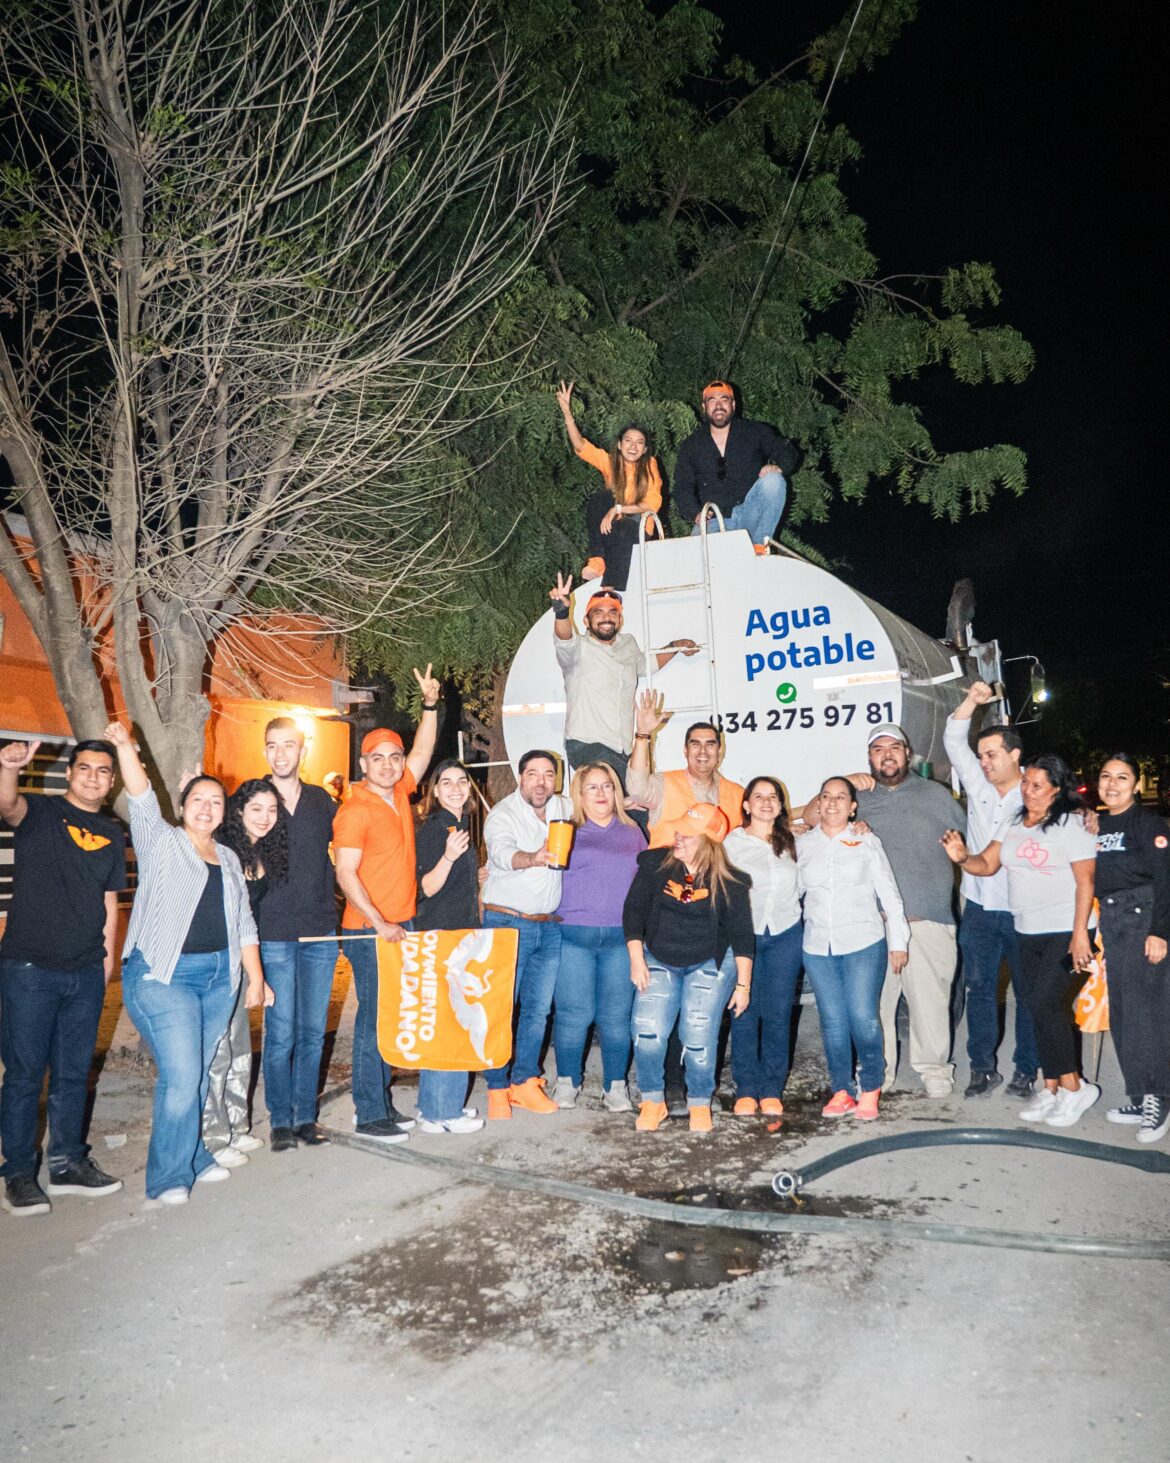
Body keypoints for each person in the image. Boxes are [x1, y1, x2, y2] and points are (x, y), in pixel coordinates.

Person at [106, 724, 271, 1205]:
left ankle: (195, 1156)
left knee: (197, 1072)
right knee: (182, 1076)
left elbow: (243, 923)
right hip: (164, 977)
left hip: (220, 977)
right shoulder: (162, 842)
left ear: (225, 813)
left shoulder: (227, 855)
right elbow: (139, 795)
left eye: (216, 802)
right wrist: (124, 747)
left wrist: (256, 979)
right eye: (199, 799)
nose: (207, 808)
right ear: (182, 805)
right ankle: (167, 1177)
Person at [0, 738, 126, 1217]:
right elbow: (5, 803)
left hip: (84, 971)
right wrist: (7, 767)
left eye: (103, 771)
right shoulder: (40, 814)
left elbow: (109, 900)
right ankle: (18, 1172)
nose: (94, 777)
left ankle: (67, 1162)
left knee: (74, 1074)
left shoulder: (112, 833)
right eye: (86, 768)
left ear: (112, 781)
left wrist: (107, 957)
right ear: (70, 773)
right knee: (26, 1075)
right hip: (29, 968)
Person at [942, 753, 1099, 1128]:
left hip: (1067, 929)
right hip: (1027, 928)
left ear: (1057, 790)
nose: (1027, 790)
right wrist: (963, 858)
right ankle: (1052, 1087)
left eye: (1037, 785)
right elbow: (989, 863)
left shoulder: (1072, 824)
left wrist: (1080, 935)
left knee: (1046, 1002)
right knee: (1033, 1003)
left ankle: (1076, 1088)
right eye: (1026, 782)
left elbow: (1085, 881)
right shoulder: (1016, 823)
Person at [333, 667, 441, 1143]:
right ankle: (369, 1112)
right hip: (369, 927)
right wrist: (379, 922)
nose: (391, 765)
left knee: (391, 1017)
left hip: (402, 922)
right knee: (373, 1019)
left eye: (394, 758)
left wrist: (431, 706)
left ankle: (380, 1103)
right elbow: (345, 872)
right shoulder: (354, 808)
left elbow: (423, 750)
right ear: (363, 764)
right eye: (379, 759)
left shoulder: (399, 792)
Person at [624, 803, 753, 1131]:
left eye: (688, 834)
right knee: (647, 1030)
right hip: (660, 956)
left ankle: (699, 1102)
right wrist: (637, 960)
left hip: (709, 960)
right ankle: (653, 1100)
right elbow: (633, 911)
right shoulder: (655, 864)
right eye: (678, 829)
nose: (678, 836)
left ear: (709, 841)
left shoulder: (730, 882)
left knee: (696, 1030)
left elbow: (742, 937)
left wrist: (743, 987)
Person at [855, 724, 964, 1098]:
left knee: (931, 1005)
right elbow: (808, 820)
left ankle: (935, 1071)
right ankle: (877, 1074)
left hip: (928, 921)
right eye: (878, 749)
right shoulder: (856, 799)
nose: (887, 755)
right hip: (873, 926)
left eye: (895, 747)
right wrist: (840, 783)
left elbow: (978, 836)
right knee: (875, 1006)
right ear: (869, 758)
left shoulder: (936, 795)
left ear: (908, 753)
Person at [944, 682, 1039, 1098]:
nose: (983, 763)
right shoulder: (979, 787)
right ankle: (982, 1068)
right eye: (980, 755)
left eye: (992, 755)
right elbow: (952, 738)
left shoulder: (1037, 795)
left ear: (1015, 755)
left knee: (1028, 990)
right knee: (979, 989)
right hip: (980, 908)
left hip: (1025, 910)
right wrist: (972, 701)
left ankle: (1026, 1069)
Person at [797, 777, 909, 1121]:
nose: (832, 803)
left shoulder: (865, 839)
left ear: (853, 806)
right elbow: (792, 894)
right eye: (825, 796)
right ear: (817, 804)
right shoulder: (803, 845)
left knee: (863, 1017)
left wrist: (898, 940)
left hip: (863, 942)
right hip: (818, 946)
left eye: (840, 797)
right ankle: (842, 1090)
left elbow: (888, 892)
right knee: (832, 1021)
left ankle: (871, 1085)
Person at [259, 716, 342, 1151]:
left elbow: (347, 852)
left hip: (319, 931)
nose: (280, 754)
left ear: (302, 751)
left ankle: (305, 1117)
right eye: (273, 746)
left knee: (312, 1030)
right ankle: (280, 1119)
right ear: (265, 751)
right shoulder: (254, 799)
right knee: (282, 1031)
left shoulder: (321, 802)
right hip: (273, 932)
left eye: (288, 745)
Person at [481, 749, 571, 1118]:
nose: (541, 782)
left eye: (548, 774)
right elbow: (502, 854)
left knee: (537, 1010)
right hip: (507, 923)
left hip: (548, 926)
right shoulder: (503, 813)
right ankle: (496, 1087)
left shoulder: (563, 808)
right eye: (532, 774)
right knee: (500, 1009)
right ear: (520, 778)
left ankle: (523, 1082)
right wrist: (532, 858)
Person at [551, 763, 646, 1112]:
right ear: (579, 793)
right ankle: (567, 1082)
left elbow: (643, 885)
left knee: (616, 1016)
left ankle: (616, 1086)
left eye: (607, 786)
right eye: (591, 787)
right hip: (573, 936)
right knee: (574, 1014)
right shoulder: (566, 830)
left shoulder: (632, 831)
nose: (601, 794)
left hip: (621, 940)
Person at [205, 779, 290, 1165]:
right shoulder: (223, 852)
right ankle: (213, 1137)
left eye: (271, 810)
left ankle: (237, 1127)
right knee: (219, 1051)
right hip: (216, 960)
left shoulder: (262, 854)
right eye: (256, 809)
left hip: (242, 957)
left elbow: (249, 920)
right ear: (238, 811)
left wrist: (256, 975)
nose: (265, 817)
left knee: (240, 1048)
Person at [550, 576, 696, 787]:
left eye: (612, 612)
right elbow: (564, 639)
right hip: (587, 745)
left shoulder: (628, 645)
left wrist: (675, 646)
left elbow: (647, 665)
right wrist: (561, 612)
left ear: (620, 619)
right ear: (586, 621)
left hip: (624, 750)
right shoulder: (577, 650)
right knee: (632, 796)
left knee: (639, 807)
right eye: (598, 613)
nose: (606, 617)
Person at [1095, 753, 1170, 1143]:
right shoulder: (1098, 823)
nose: (1112, 784)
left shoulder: (1147, 823)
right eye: (1106, 776)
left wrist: (1160, 932)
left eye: (1122, 778)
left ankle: (1159, 1097)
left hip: (1143, 919)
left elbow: (1165, 878)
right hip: (1112, 922)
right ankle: (1139, 1096)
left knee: (1147, 1012)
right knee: (1123, 1012)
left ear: (1136, 785)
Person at [412, 759, 485, 1135]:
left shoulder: (456, 826)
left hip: (457, 934)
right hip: (443, 937)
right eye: (446, 782)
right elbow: (425, 888)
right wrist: (450, 858)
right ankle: (443, 1111)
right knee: (450, 1023)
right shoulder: (436, 829)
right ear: (435, 791)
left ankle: (432, 1106)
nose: (456, 788)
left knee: (445, 1020)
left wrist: (473, 874)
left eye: (462, 781)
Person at [724, 777, 802, 1117]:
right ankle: (746, 1088)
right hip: (745, 937)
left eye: (773, 797)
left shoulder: (795, 842)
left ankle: (772, 1088)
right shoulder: (733, 843)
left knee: (778, 1014)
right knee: (743, 1012)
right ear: (746, 805)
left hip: (786, 934)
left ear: (781, 805)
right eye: (759, 797)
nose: (767, 802)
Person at [556, 380, 664, 589]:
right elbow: (581, 446)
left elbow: (651, 505)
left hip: (638, 525)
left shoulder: (650, 465)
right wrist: (568, 414)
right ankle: (598, 560)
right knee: (600, 499)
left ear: (644, 449)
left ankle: (612, 589)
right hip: (614, 525)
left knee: (621, 528)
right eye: (628, 441)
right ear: (619, 445)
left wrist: (618, 509)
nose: (633, 446)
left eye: (639, 442)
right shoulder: (611, 462)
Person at [673, 380, 799, 551]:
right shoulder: (691, 444)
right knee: (692, 558)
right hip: (714, 520)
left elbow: (787, 451)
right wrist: (694, 512)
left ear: (733, 404)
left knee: (774, 481)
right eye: (712, 401)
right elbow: (682, 486)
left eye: (724, 400)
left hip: (750, 512)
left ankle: (760, 546)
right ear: (704, 406)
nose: (718, 405)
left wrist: (780, 467)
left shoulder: (755, 431)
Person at [626, 692, 745, 846]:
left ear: (720, 751)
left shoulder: (738, 795)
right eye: (695, 744)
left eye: (710, 744)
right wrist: (643, 734)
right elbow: (637, 789)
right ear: (685, 751)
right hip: (668, 868)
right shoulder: (665, 784)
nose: (703, 751)